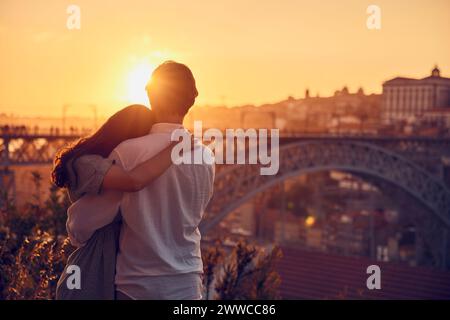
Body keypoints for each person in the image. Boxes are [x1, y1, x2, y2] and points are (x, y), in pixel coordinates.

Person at [66, 61, 215, 300]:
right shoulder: (206, 156)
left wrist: (76, 232)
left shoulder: (128, 153)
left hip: (138, 286)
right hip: (188, 284)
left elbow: (84, 221)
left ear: (150, 95)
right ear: (191, 100)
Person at [53, 104, 193, 299]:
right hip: (92, 262)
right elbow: (134, 181)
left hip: (113, 262)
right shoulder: (87, 164)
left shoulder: (102, 162)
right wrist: (176, 148)